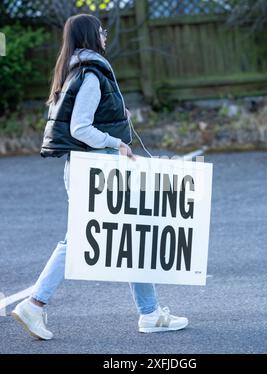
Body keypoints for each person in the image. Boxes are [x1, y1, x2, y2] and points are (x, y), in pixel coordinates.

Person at [12, 13, 188, 340]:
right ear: (93, 36)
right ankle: (35, 304)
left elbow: (86, 119)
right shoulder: (91, 73)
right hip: (97, 168)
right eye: (101, 31)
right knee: (89, 238)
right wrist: (116, 141)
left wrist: (117, 117)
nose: (105, 35)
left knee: (131, 236)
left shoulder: (76, 70)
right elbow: (81, 128)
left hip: (88, 167)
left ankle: (149, 313)